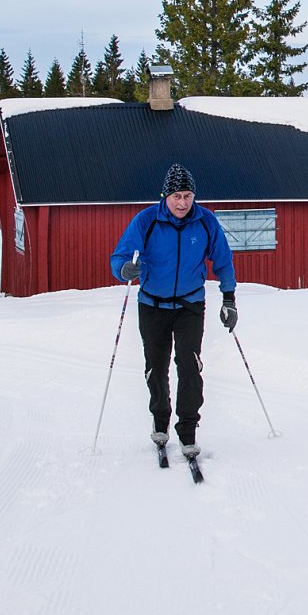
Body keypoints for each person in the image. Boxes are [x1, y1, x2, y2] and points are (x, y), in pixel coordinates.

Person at [109, 163, 238, 460]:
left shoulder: (205, 221)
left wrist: (228, 299)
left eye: (188, 196)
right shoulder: (147, 221)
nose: (182, 203)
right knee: (156, 367)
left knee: (189, 365)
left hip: (190, 305)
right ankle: (160, 420)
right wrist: (124, 269)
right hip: (152, 304)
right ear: (165, 196)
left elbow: (222, 259)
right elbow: (120, 255)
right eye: (177, 196)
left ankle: (188, 430)